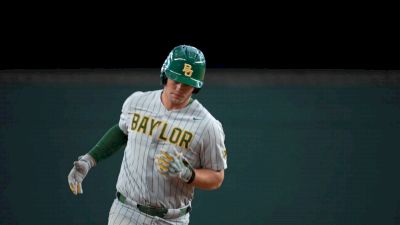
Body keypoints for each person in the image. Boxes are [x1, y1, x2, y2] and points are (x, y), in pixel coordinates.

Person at [67, 44, 228, 225]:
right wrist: (88, 160)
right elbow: (122, 131)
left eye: (187, 84)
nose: (179, 87)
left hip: (172, 219)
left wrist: (189, 174)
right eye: (175, 79)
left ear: (195, 87)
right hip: (126, 211)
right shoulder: (137, 102)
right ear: (165, 74)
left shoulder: (208, 125)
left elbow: (216, 177)